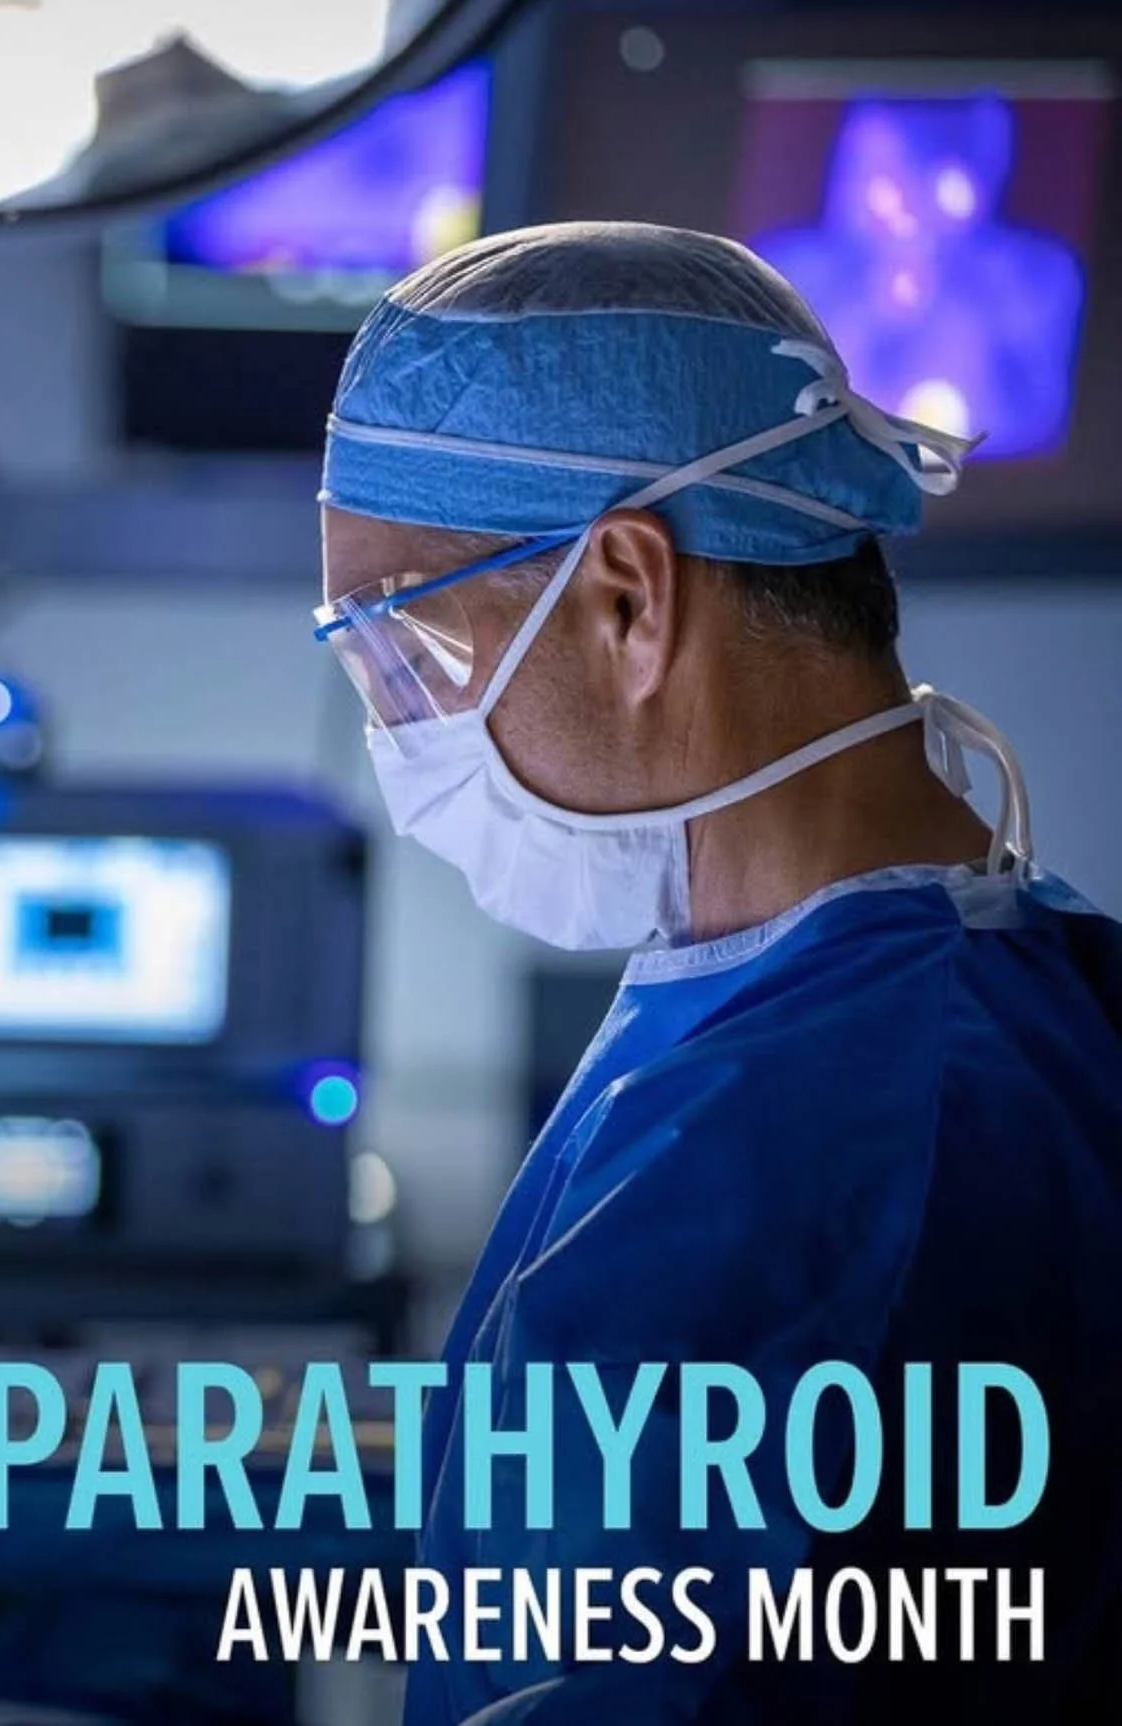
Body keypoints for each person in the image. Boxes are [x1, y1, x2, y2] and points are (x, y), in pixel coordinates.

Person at [313, 222, 1122, 1721]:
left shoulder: (868, 1131)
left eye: (401, 646)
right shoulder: (818, 998)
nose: (395, 727)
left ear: (627, 595)